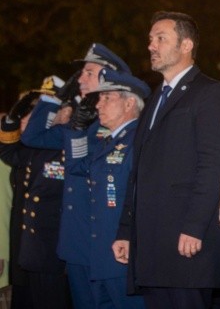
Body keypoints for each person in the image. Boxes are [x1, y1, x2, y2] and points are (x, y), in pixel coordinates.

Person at [113, 11, 220, 309]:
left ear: (186, 45)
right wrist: (127, 231)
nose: (151, 46)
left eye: (161, 38)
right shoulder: (156, 97)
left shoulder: (209, 93)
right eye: (151, 39)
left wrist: (194, 226)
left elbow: (213, 165)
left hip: (186, 243)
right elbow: (139, 170)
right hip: (153, 245)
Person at [22, 44, 131, 309]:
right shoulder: (81, 124)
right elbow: (32, 136)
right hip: (77, 242)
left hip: (109, 242)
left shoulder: (120, 126)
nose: (81, 79)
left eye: (89, 73)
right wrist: (55, 98)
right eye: (80, 74)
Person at [66, 69, 150, 309]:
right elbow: (76, 167)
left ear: (130, 103)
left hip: (123, 256)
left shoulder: (139, 140)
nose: (98, 105)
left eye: (107, 98)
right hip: (101, 256)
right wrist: (77, 129)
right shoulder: (108, 143)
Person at [0, 78, 72, 309]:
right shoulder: (34, 148)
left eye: (40, 109)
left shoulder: (65, 145)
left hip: (51, 254)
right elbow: (9, 151)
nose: (31, 116)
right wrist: (11, 120)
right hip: (28, 252)